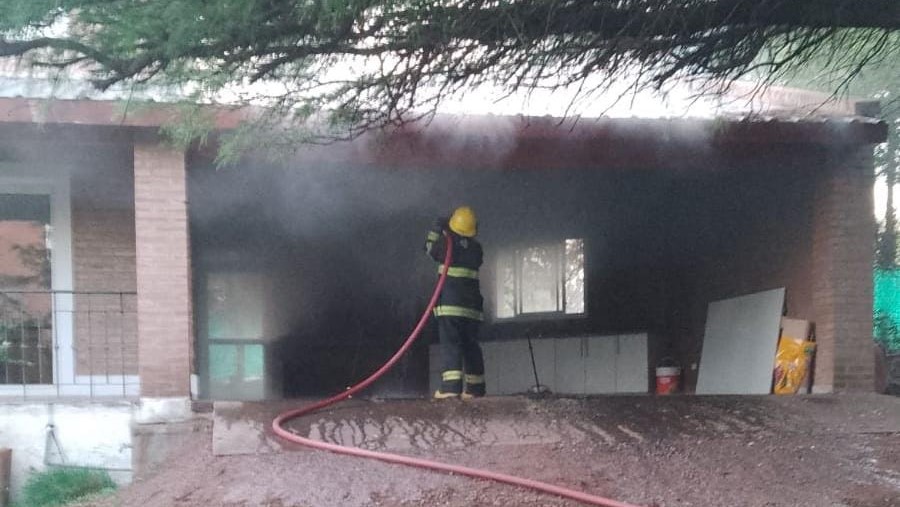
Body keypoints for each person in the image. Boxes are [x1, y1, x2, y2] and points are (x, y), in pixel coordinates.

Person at [425, 206, 486, 400]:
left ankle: (451, 388)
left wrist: (436, 229)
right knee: (471, 345)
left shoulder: (445, 244)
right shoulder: (477, 249)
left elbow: (428, 249)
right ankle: (475, 389)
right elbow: (466, 248)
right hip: (472, 309)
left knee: (451, 344)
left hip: (451, 307)